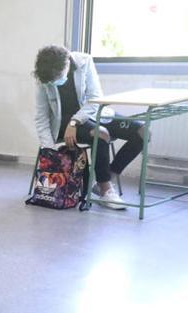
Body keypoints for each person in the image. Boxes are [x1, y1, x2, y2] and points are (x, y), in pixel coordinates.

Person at [33, 45, 147, 210]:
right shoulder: (44, 77)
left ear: (66, 65)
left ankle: (107, 177)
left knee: (142, 132)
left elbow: (95, 98)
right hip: (63, 123)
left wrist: (76, 121)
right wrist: (49, 151)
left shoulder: (84, 61)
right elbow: (41, 117)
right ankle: (106, 191)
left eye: (58, 77)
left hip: (90, 113)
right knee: (101, 134)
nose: (56, 83)